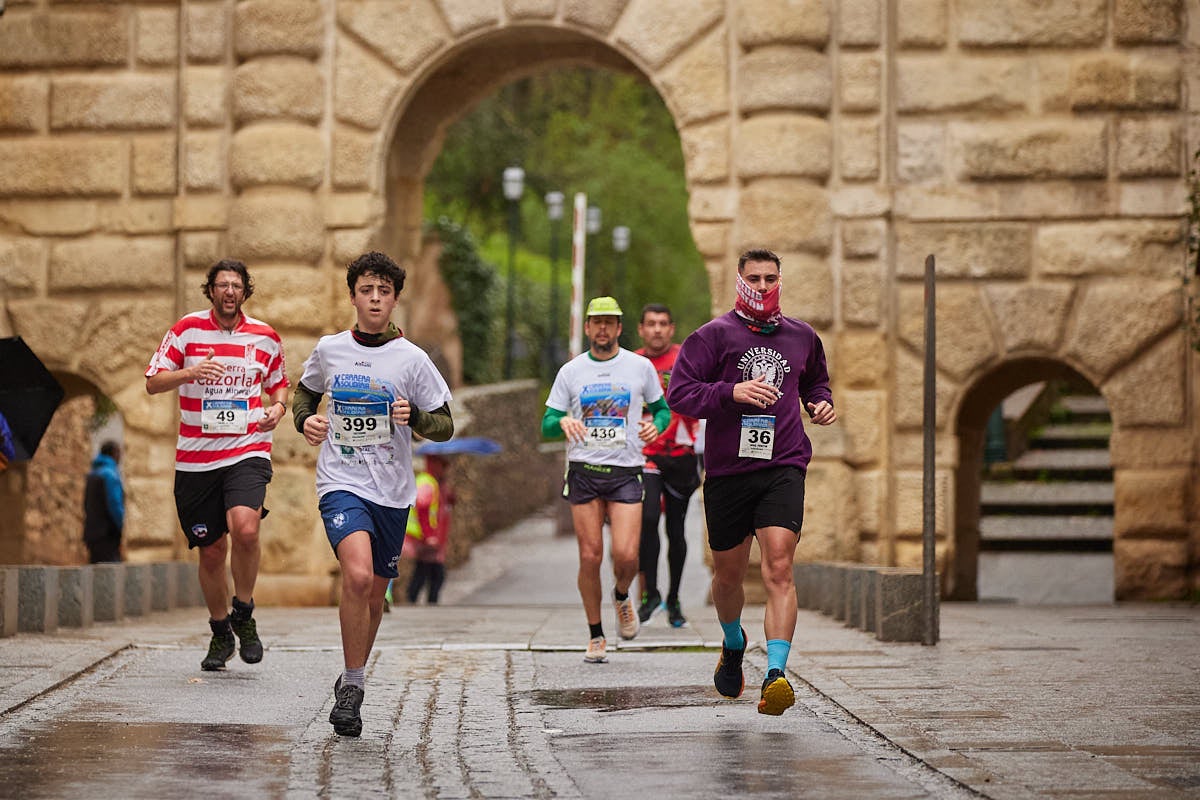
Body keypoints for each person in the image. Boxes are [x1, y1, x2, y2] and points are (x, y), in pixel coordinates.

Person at [667, 248, 836, 716]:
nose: (763, 286)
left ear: (780, 280)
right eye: (755, 278)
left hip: (783, 464)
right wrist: (731, 391)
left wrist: (820, 404)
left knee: (779, 567)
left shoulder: (802, 336)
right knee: (728, 576)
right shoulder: (712, 336)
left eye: (771, 278)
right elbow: (679, 393)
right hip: (728, 471)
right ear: (740, 281)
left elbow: (815, 383)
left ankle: (775, 674)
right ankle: (733, 641)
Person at [293, 251, 454, 738]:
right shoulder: (330, 349)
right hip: (341, 482)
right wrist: (306, 420)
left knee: (377, 591)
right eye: (367, 290)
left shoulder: (412, 359)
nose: (376, 298)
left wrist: (415, 418)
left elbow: (445, 425)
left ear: (395, 299)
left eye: (385, 291)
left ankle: (352, 676)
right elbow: (305, 393)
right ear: (353, 297)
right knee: (358, 576)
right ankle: (354, 686)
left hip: (392, 492)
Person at [146, 258, 288, 672]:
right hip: (196, 458)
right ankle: (220, 630)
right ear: (210, 290)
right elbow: (153, 381)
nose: (229, 292)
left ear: (245, 292)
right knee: (211, 552)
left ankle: (243, 612)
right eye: (222, 285)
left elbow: (279, 383)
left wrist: (278, 409)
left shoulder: (265, 336)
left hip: (247, 449)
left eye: (236, 285)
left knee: (246, 527)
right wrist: (191, 371)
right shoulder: (186, 330)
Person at [542, 296, 671, 663]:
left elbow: (662, 411)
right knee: (590, 555)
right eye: (596, 322)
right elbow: (547, 423)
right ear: (587, 327)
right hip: (584, 471)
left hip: (626, 471)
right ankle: (596, 633)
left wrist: (656, 426)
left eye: (609, 322)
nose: (602, 328)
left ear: (619, 328)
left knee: (627, 554)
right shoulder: (571, 371)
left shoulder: (639, 367)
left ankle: (621, 594)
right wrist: (562, 421)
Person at [634, 304, 702, 628]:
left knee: (676, 529)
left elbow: (702, 397)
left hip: (681, 455)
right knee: (647, 519)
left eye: (663, 323)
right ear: (641, 330)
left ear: (671, 329)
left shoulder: (686, 359)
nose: (657, 329)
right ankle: (651, 593)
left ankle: (673, 599)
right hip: (645, 454)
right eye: (651, 324)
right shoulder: (632, 363)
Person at [403, 453, 453, 604]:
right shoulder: (427, 482)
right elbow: (423, 510)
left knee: (424, 571)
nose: (445, 469)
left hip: (425, 536)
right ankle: (423, 601)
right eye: (443, 466)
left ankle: (416, 600)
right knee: (434, 574)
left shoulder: (434, 482)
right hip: (423, 536)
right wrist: (429, 535)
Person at [83, 440, 125, 563]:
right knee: (111, 571)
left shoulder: (92, 474)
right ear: (114, 453)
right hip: (107, 535)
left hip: (92, 534)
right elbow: (115, 504)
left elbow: (86, 504)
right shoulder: (111, 475)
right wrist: (120, 526)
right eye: (119, 453)